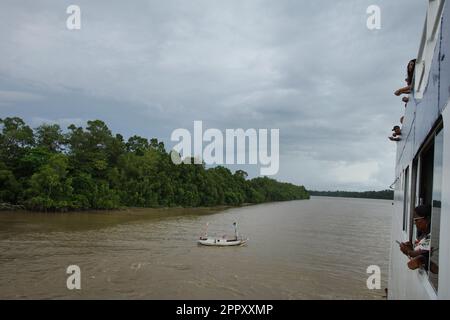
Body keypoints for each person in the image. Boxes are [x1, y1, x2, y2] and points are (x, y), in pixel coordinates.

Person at [399, 205, 431, 270]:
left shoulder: (431, 238)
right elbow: (416, 252)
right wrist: (411, 247)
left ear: (427, 219)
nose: (415, 223)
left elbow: (423, 254)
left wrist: (408, 251)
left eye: (416, 220)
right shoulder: (422, 235)